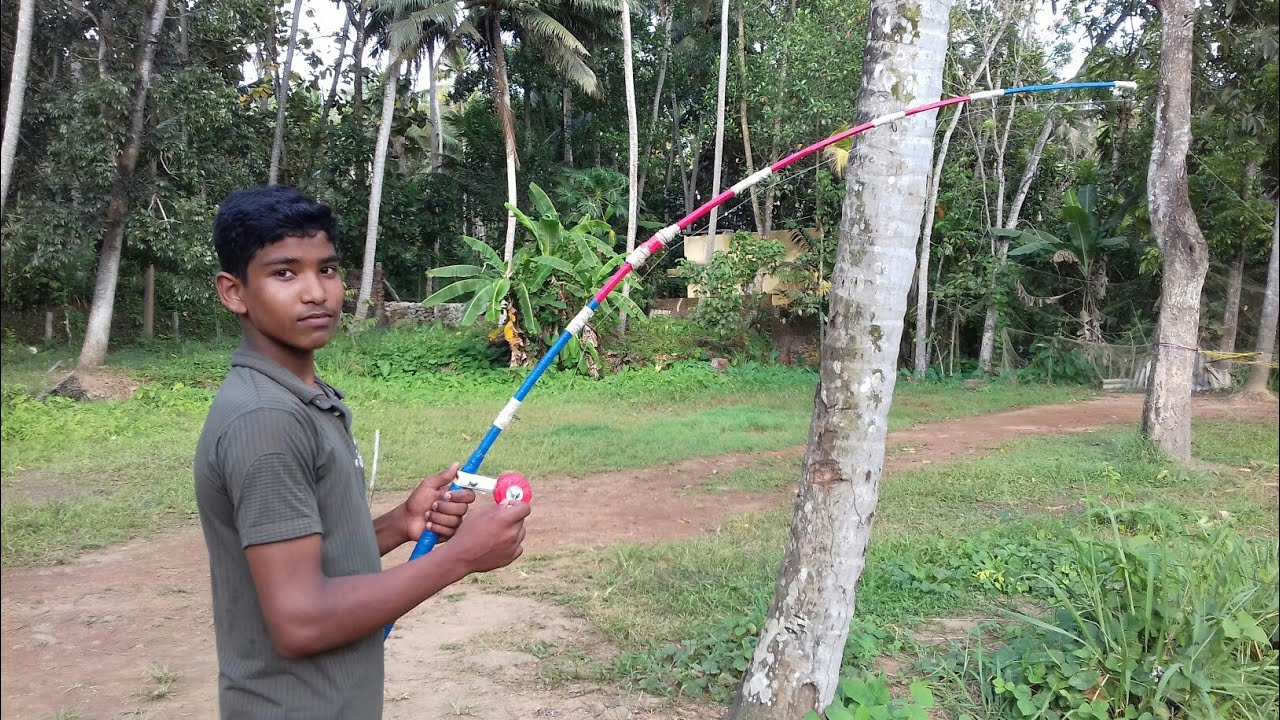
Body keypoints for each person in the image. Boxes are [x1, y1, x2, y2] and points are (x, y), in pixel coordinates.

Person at [193, 185, 531, 719]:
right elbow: (300, 621)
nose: (316, 292)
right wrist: (461, 557)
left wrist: (401, 524)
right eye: (285, 273)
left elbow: (312, 563)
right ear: (234, 292)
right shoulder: (266, 421)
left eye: (326, 270)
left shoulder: (302, 399)